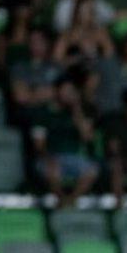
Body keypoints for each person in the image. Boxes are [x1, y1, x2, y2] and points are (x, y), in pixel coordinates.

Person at [31, 75, 98, 206]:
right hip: (50, 157)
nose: (69, 95)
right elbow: (39, 144)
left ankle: (70, 201)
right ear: (57, 91)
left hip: (74, 158)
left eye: (72, 91)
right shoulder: (43, 113)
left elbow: (87, 138)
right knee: (53, 170)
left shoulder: (79, 113)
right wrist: (49, 158)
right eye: (66, 91)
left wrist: (77, 110)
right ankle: (62, 200)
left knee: (92, 170)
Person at [9, 26, 61, 123]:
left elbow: (61, 94)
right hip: (28, 116)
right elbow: (21, 97)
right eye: (32, 41)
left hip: (52, 116)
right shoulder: (20, 67)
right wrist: (45, 94)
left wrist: (32, 92)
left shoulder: (56, 68)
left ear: (48, 43)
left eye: (40, 41)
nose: (35, 45)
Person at [52, 0, 114, 69]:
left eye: (92, 10)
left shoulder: (100, 33)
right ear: (77, 12)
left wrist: (94, 57)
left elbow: (110, 57)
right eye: (87, 10)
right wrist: (78, 59)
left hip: (98, 73)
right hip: (73, 74)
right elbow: (56, 61)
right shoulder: (67, 36)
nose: (91, 14)